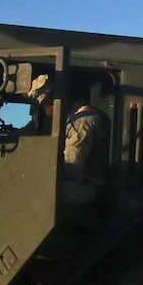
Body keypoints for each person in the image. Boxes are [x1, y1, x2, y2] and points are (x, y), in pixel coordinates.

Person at [27, 75, 110, 208]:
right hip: (79, 184)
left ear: (55, 101)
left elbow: (71, 166)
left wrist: (37, 164)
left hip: (84, 188)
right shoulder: (74, 119)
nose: (46, 112)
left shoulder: (82, 121)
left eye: (45, 105)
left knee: (33, 191)